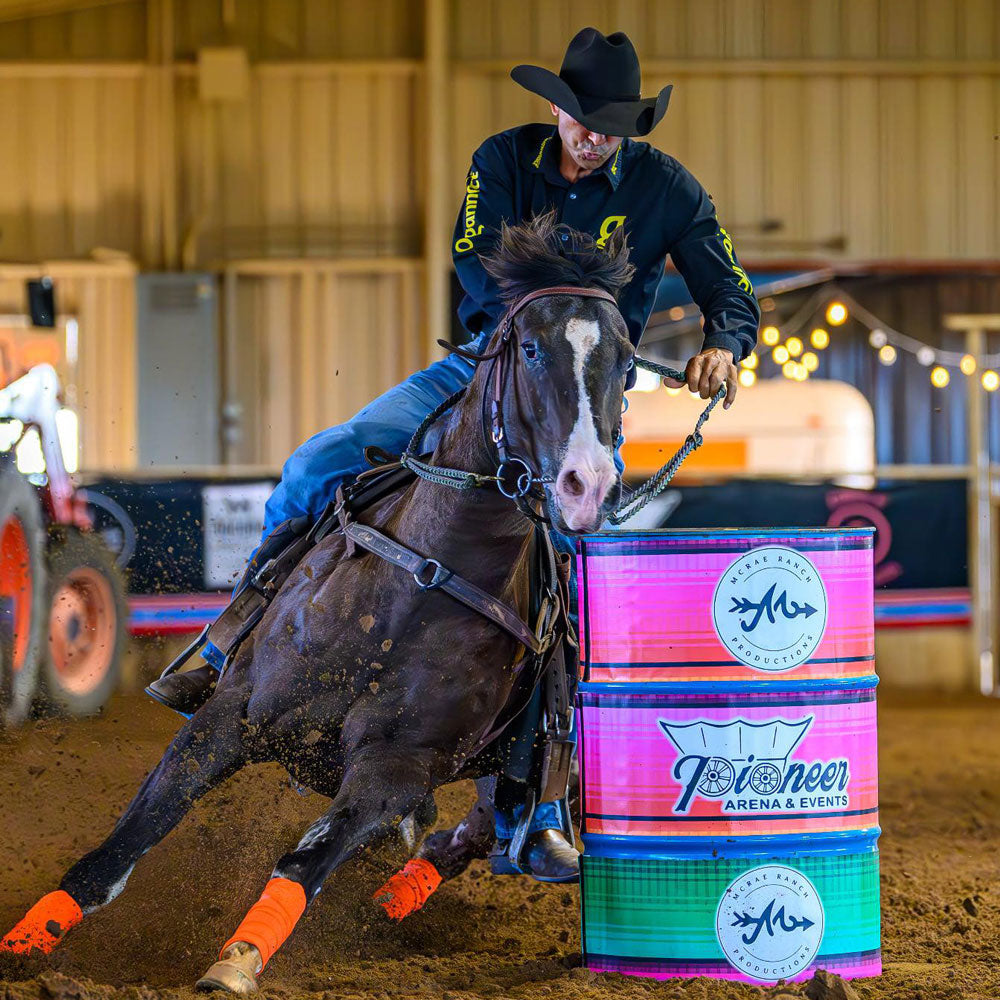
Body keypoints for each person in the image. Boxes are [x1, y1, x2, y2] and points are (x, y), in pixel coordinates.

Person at [147, 27, 760, 882]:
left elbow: (726, 281)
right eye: (584, 119)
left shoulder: (668, 189)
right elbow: (475, 266)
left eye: (612, 125)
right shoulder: (502, 161)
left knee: (580, 573)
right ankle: (230, 636)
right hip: (487, 367)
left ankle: (538, 798)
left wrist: (726, 343)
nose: (595, 136)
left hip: (585, 394)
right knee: (319, 464)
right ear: (556, 108)